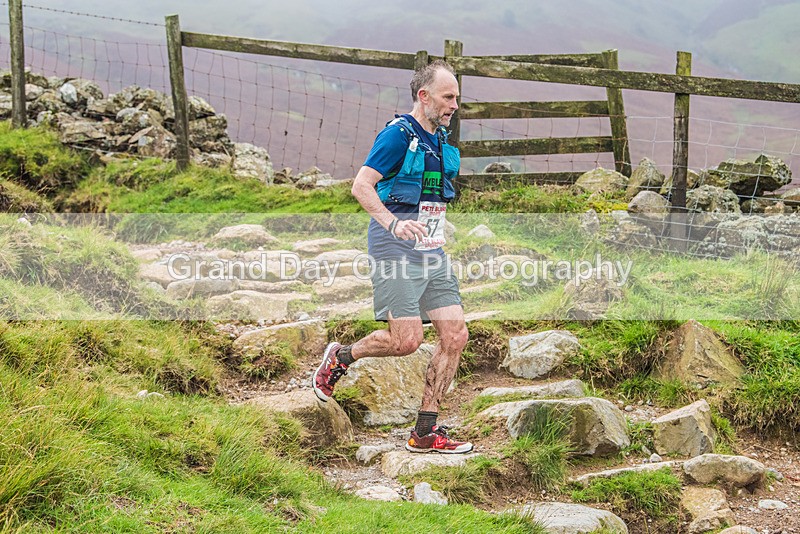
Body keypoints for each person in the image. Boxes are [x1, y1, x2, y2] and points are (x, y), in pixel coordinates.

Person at [312, 60, 472, 454]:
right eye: (448, 97)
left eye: (457, 98)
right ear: (424, 96)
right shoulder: (398, 135)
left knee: (455, 335)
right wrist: (393, 224)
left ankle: (425, 431)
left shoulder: (439, 139)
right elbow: (361, 185)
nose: (455, 105)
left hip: (431, 251)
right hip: (394, 250)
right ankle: (341, 356)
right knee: (406, 342)